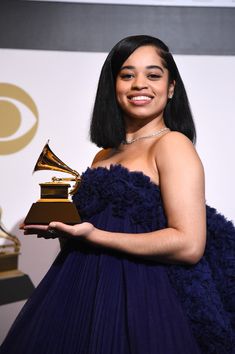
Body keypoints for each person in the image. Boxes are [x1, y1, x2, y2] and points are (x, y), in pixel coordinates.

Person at [1, 35, 234, 354]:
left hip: (144, 298)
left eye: (153, 75)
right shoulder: (103, 156)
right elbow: (98, 232)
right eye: (127, 75)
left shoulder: (172, 145)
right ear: (112, 86)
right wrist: (64, 232)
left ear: (171, 88)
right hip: (80, 293)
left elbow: (189, 245)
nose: (140, 84)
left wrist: (94, 235)